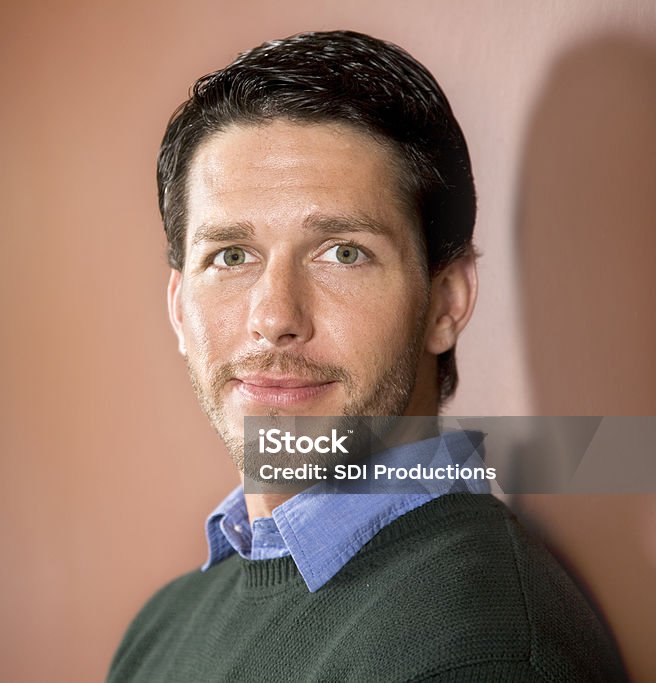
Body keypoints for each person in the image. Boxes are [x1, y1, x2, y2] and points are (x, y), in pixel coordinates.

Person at [107, 30, 626, 682]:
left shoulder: (474, 642)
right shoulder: (163, 625)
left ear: (446, 300)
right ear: (179, 307)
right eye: (231, 256)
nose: (274, 318)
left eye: (343, 252)